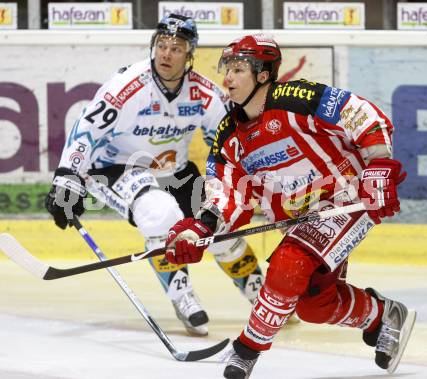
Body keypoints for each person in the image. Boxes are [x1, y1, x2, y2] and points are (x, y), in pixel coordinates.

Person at [165, 34, 416, 378]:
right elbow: (226, 191)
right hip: (300, 220)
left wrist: (379, 162)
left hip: (347, 200)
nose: (228, 78)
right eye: (227, 69)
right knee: (314, 304)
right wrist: (201, 227)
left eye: (238, 70)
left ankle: (245, 351)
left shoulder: (296, 98)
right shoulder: (229, 134)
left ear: (263, 75)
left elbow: (358, 112)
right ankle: (382, 315)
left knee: (288, 267)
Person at [44, 15, 265, 336]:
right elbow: (86, 129)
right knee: (161, 214)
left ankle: (262, 296)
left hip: (174, 170)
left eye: (176, 48)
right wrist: (67, 176)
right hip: (114, 168)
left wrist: (252, 178)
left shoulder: (203, 93)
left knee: (220, 223)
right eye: (161, 45)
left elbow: (232, 139)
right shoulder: (127, 85)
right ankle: (181, 292)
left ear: (190, 54)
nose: (166, 54)